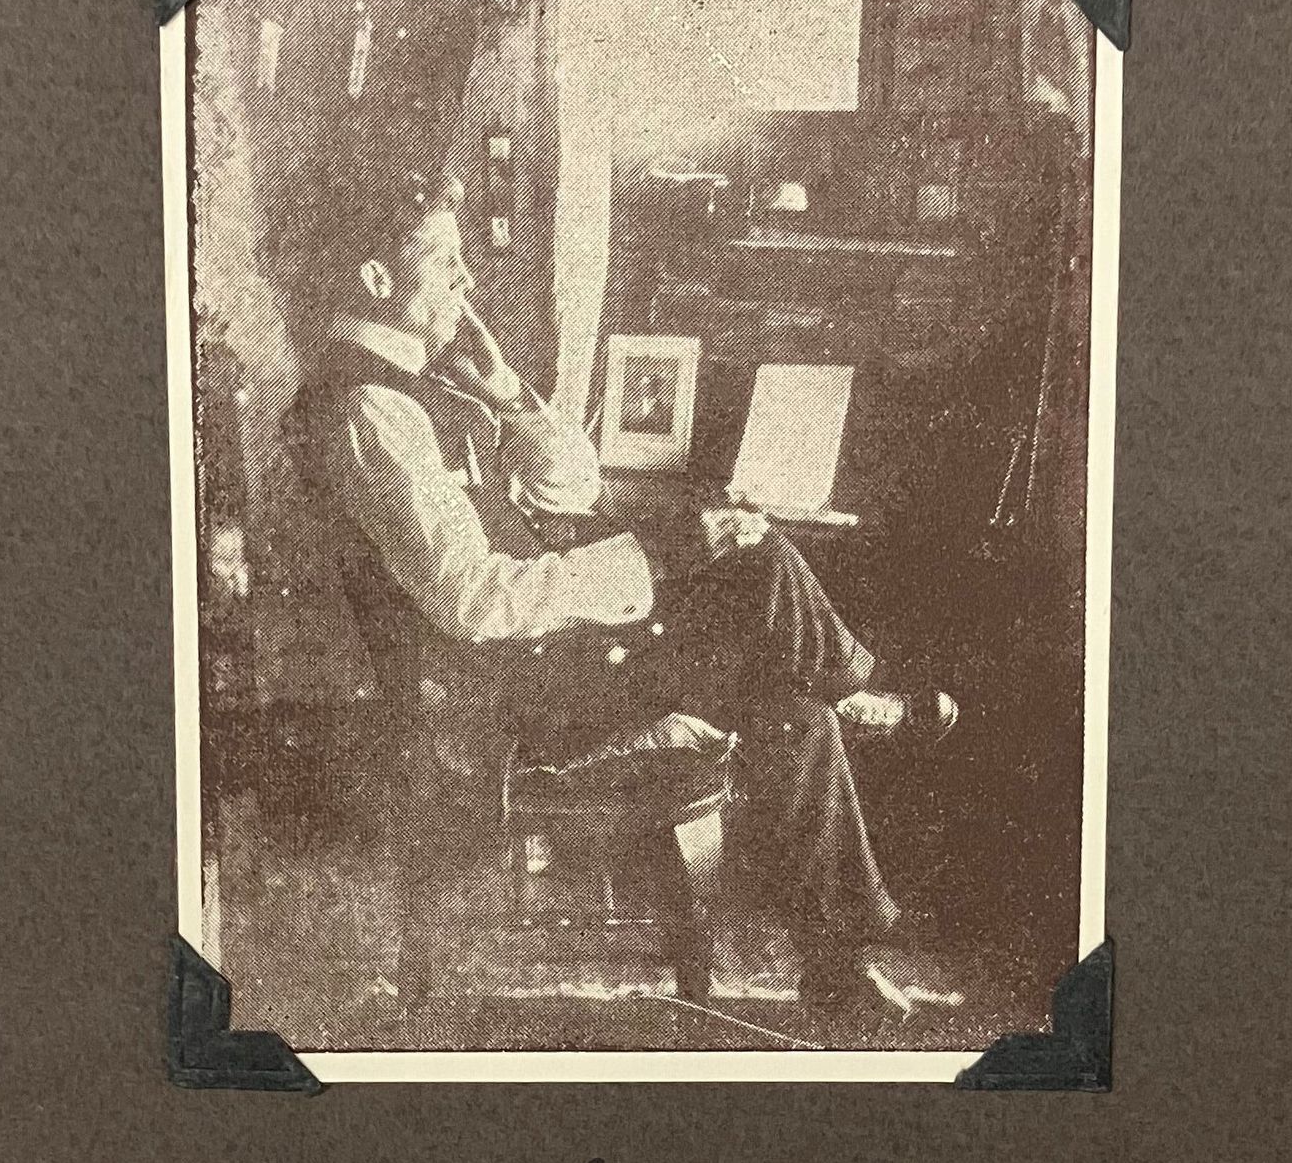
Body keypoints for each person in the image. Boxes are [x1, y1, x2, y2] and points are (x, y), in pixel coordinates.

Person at [286, 170, 955, 1028]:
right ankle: (859, 696)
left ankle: (836, 963)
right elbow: (471, 601)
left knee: (786, 685)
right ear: (378, 278)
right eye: (444, 259)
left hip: (541, 663)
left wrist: (508, 393)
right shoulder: (370, 411)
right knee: (758, 567)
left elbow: (575, 487)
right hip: (491, 703)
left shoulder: (431, 385)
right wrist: (663, 554)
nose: (467, 279)